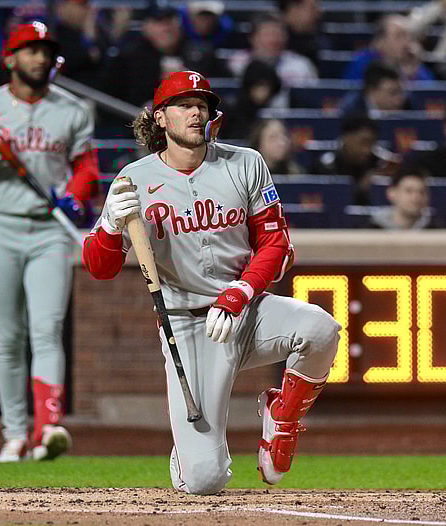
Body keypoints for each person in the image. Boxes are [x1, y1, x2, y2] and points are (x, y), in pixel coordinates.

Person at [81, 71, 341, 494]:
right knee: (204, 481)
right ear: (161, 118)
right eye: (184, 105)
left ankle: (282, 417)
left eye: (202, 104)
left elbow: (277, 245)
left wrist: (242, 291)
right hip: (187, 325)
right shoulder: (134, 179)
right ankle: (193, 456)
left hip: (247, 308)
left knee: (320, 328)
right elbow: (99, 268)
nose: (196, 112)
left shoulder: (245, 163)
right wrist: (109, 226)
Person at [0, 22, 100, 462]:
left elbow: (86, 168)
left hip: (50, 230)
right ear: (10, 58)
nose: (39, 58)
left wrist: (74, 196)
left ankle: (46, 427)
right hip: (3, 224)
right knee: (9, 336)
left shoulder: (73, 109)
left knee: (47, 329)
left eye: (45, 51)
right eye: (29, 50)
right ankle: (14, 434)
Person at [102, 0, 228, 108]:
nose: (166, 28)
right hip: (138, 124)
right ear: (146, 27)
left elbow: (223, 90)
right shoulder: (130, 57)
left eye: (170, 20)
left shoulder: (199, 52)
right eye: (159, 22)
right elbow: (112, 97)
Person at [314, 113, 398, 205]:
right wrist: (361, 189)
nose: (367, 150)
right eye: (363, 142)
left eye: (372, 143)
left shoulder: (381, 163)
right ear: (346, 137)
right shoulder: (327, 165)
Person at [227, 12, 318, 93]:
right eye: (268, 34)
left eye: (278, 34)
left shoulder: (302, 65)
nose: (274, 40)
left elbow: (312, 98)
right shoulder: (237, 64)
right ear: (252, 38)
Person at [343, 14, 435, 81]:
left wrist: (412, 74)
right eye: (399, 36)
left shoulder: (414, 65)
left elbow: (431, 98)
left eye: (409, 37)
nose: (407, 42)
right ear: (380, 42)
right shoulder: (363, 62)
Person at [366, 164, 446, 229]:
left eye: (422, 192)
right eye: (409, 191)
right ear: (391, 193)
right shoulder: (373, 229)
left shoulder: (435, 230)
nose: (416, 197)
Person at [221, 59, 283, 140]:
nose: (265, 92)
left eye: (269, 87)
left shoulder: (268, 111)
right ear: (250, 85)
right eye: (260, 85)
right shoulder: (229, 108)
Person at [340, 61, 412, 119]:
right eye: (393, 92)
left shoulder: (409, 106)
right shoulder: (351, 112)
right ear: (371, 91)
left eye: (402, 92)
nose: (400, 98)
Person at [277, 0, 329, 67]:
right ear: (293, 9)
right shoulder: (276, 46)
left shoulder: (314, 43)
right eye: (312, 8)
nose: (319, 13)